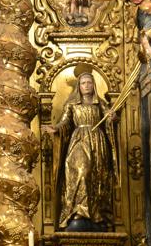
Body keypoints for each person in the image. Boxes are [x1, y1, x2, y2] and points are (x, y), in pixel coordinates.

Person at [41, 71, 117, 231]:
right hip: (79, 141)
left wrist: (111, 118)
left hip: (97, 142)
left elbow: (110, 120)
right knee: (81, 172)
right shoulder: (72, 104)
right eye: (83, 83)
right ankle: (77, 211)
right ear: (79, 86)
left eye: (89, 82)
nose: (87, 85)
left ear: (93, 85)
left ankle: (95, 214)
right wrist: (55, 129)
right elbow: (65, 122)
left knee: (97, 176)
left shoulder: (100, 104)